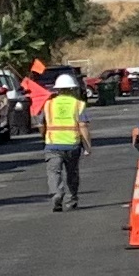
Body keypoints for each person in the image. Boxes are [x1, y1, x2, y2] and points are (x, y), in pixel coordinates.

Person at [41, 78, 87, 210]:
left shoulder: (48, 104)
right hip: (72, 144)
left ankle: (57, 194)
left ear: (57, 89)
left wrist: (44, 136)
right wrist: (87, 145)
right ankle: (71, 199)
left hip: (53, 144)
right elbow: (83, 126)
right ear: (72, 89)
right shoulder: (78, 104)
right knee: (72, 173)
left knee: (54, 172)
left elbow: (41, 124)